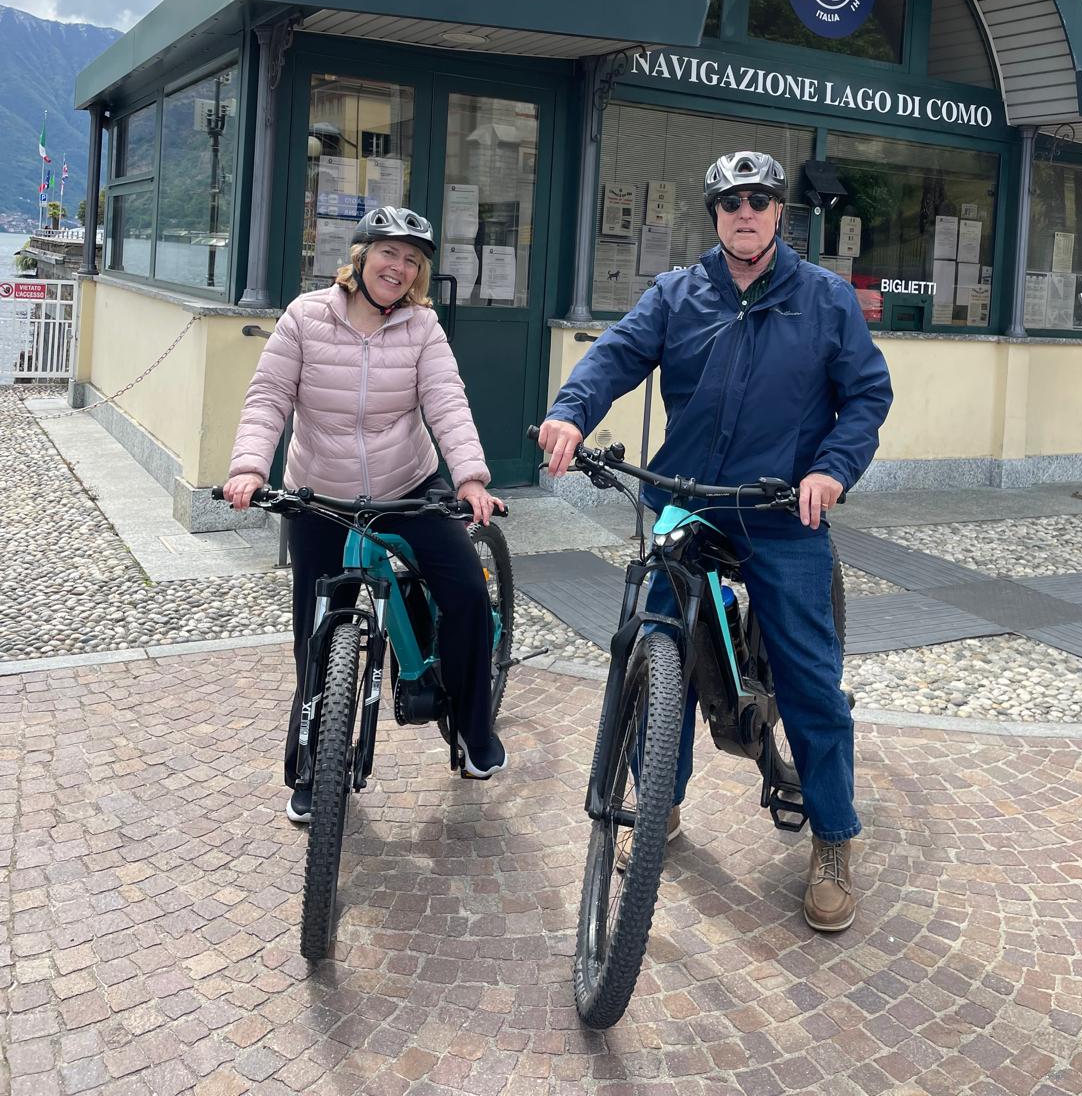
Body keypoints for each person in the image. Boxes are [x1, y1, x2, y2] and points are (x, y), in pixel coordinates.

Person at [539, 151, 892, 931]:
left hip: (777, 508)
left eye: (759, 200)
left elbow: (867, 395)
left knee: (808, 675)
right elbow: (618, 356)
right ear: (716, 214)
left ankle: (833, 835)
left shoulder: (825, 300)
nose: (746, 212)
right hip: (687, 501)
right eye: (731, 201)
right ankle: (657, 804)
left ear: (777, 215)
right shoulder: (677, 294)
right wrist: (570, 410)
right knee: (650, 641)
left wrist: (831, 470)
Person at [224, 204, 506, 823]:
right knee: (315, 630)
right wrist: (249, 467)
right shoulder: (304, 316)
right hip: (319, 495)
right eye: (388, 254)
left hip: (406, 486)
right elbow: (269, 395)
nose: (399, 268)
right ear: (359, 258)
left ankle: (471, 730)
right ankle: (309, 765)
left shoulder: (422, 328)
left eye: (412, 260)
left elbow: (446, 401)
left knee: (465, 594)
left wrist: (470, 478)